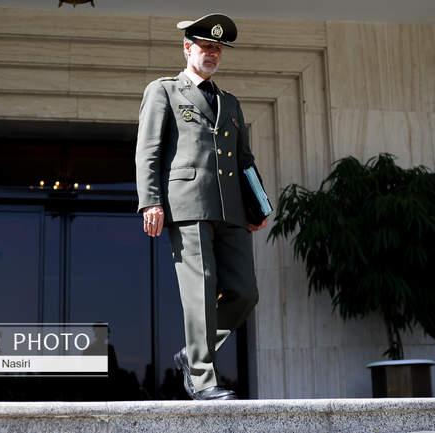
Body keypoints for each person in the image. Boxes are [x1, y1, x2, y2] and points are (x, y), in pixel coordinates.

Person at [135, 13, 267, 400]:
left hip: (231, 211)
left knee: (245, 293)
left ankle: (194, 353)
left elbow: (244, 160)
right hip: (188, 205)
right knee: (201, 291)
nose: (212, 54)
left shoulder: (230, 103)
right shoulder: (164, 91)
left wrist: (258, 206)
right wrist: (151, 201)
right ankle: (202, 378)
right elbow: (148, 151)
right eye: (205, 47)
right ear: (187, 48)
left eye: (217, 49)